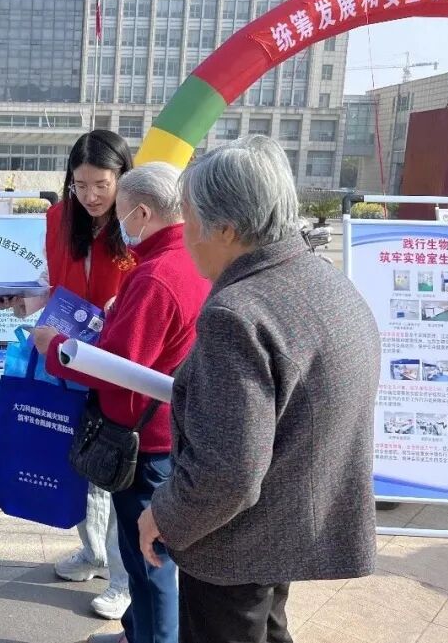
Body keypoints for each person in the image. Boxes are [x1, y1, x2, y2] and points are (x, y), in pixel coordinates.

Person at [139, 136, 380, 643]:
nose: (184, 236)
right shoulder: (322, 278)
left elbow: (228, 472)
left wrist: (164, 514)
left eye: (189, 220)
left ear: (226, 228)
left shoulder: (237, 313)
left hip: (234, 545)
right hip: (283, 526)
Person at [33, 162, 210, 643]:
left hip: (146, 438)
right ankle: (137, 632)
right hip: (167, 426)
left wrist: (54, 347)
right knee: (141, 554)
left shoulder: (156, 276)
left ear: (142, 212)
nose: (116, 222)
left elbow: (118, 366)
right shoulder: (187, 259)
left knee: (149, 558)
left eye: (120, 212)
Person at [0, 130, 135, 619]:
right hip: (67, 355)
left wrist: (119, 311)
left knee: (114, 469)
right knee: (76, 458)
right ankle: (92, 551)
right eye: (80, 185)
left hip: (118, 358)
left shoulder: (137, 220)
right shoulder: (59, 218)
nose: (90, 196)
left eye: (102, 185)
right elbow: (55, 288)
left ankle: (124, 579)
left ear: (123, 178)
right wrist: (18, 299)